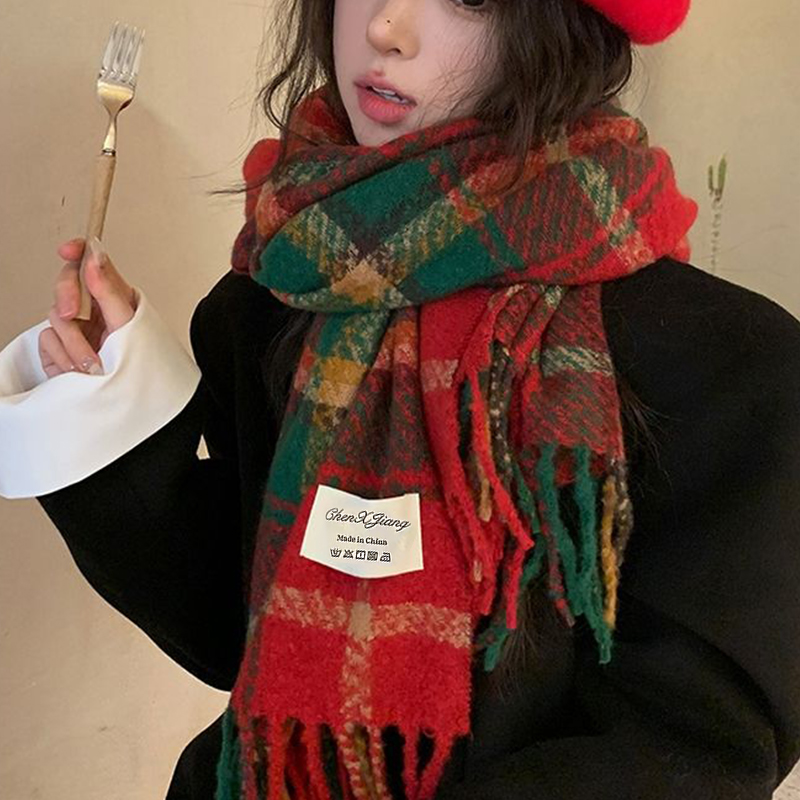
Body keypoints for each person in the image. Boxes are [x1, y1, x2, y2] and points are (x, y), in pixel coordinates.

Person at [2, 0, 800, 798]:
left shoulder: (725, 368)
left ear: (559, 29)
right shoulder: (269, 304)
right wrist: (103, 404)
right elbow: (233, 633)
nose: (386, 25)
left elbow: (688, 748)